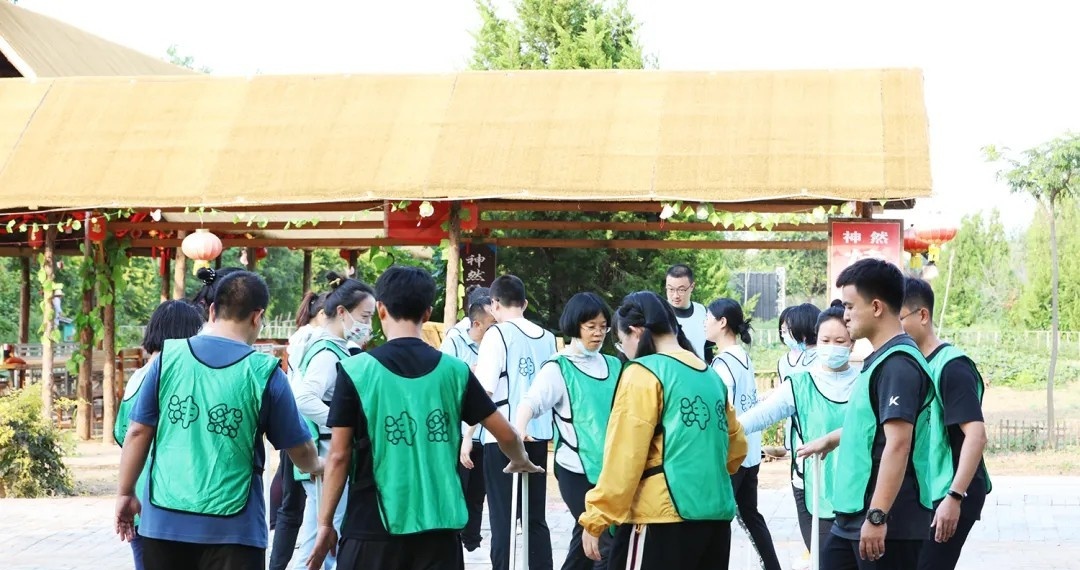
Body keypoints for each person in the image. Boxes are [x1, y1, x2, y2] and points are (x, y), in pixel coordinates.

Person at [306, 265, 542, 570]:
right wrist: (520, 459)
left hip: (371, 530)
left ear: (381, 310)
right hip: (439, 534)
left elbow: (339, 456)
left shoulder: (356, 370)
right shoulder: (454, 371)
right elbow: (506, 433)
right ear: (428, 313)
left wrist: (325, 524)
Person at [114, 271, 323, 570]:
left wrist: (125, 493)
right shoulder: (264, 372)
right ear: (257, 316)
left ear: (212, 310)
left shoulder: (167, 358)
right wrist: (318, 465)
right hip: (235, 530)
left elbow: (137, 432)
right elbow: (299, 449)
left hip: (163, 522)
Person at [579, 291, 747, 569]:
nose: (624, 352)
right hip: (715, 518)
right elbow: (736, 449)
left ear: (635, 331)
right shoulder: (710, 376)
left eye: (621, 343)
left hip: (659, 518)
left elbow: (624, 456)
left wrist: (597, 517)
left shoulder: (643, 372)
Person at [797, 258, 947, 569]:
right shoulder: (880, 360)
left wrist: (877, 516)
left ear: (876, 307)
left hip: (888, 522)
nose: (845, 315)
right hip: (852, 516)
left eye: (850, 306)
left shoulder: (899, 365)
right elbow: (874, 427)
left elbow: (898, 443)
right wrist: (833, 439)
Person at [739, 300, 858, 568]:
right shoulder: (800, 384)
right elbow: (761, 415)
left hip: (860, 491)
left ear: (852, 342)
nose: (832, 346)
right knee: (825, 561)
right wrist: (724, 430)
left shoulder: (866, 382)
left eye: (840, 340)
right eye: (825, 340)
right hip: (812, 487)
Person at [515, 292, 621, 570]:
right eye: (591, 326)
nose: (598, 333)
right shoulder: (559, 367)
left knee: (583, 549)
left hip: (611, 470)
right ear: (575, 325)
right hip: (576, 471)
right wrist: (519, 431)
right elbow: (531, 403)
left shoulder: (614, 365)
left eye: (603, 326)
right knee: (603, 542)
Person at [901, 278, 991, 570]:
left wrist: (954, 497)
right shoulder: (914, 364)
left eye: (898, 318)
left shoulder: (952, 367)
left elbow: (976, 436)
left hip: (951, 491)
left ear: (923, 315)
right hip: (927, 490)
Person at [292, 275, 376, 569]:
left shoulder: (334, 348)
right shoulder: (328, 352)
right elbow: (304, 398)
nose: (368, 324)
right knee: (322, 539)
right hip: (327, 455)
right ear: (342, 312)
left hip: (327, 454)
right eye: (364, 316)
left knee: (320, 537)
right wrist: (341, 425)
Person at [475, 274, 558, 570]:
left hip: (503, 436)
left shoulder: (496, 334)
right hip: (538, 433)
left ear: (494, 304)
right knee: (535, 518)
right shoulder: (548, 338)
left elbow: (482, 392)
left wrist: (467, 436)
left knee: (503, 519)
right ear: (524, 303)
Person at [114, 300, 204, 570]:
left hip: (140, 501)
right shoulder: (180, 380)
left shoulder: (136, 378)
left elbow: (122, 435)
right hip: (174, 503)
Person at [704, 298, 781, 570]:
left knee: (718, 520)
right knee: (750, 515)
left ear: (722, 322)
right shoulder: (743, 357)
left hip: (732, 456)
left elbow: (722, 413)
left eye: (708, 318)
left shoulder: (722, 364)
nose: (704, 324)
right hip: (750, 453)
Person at [269, 288, 332, 570]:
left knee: (292, 506)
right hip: (309, 434)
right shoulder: (317, 340)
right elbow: (304, 396)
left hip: (294, 427)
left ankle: (278, 564)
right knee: (302, 509)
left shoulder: (300, 337)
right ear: (326, 313)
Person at [442, 296, 497, 553]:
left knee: (478, 491)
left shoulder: (495, 345)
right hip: (460, 431)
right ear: (476, 324)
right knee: (457, 488)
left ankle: (472, 540)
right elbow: (442, 381)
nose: (496, 328)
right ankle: (453, 537)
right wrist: (469, 374)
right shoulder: (454, 341)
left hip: (486, 432)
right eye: (491, 323)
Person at [663, 264, 715, 361]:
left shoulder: (702, 312)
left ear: (692, 287)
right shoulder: (659, 313)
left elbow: (708, 350)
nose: (675, 295)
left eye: (681, 290)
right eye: (671, 289)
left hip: (699, 369)